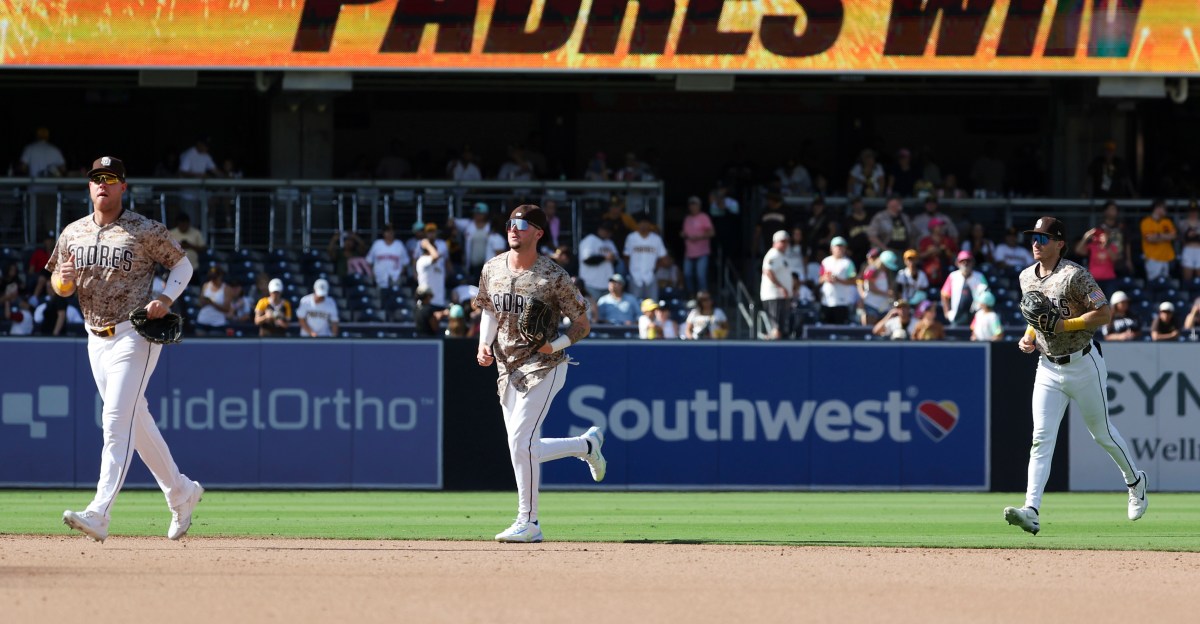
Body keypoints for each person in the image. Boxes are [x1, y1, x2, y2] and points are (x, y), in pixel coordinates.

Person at [48, 156, 203, 543]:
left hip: (135, 333)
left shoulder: (143, 229)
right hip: (93, 337)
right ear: (90, 187)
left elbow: (183, 267)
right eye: (97, 178)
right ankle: (182, 492)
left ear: (122, 186)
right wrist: (62, 282)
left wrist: (166, 299)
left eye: (110, 178)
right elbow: (59, 283)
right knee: (136, 420)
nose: (103, 184)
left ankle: (100, 513)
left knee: (115, 419)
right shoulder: (73, 232)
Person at [1005, 216, 1146, 536]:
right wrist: (1029, 335)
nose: (1036, 243)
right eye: (1033, 237)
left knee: (1102, 434)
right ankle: (1032, 509)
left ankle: (1135, 482)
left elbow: (1104, 312)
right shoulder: (1026, 276)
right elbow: (1036, 313)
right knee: (1040, 439)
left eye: (1043, 238)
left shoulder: (1075, 275)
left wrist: (1064, 326)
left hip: (1083, 363)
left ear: (1060, 243)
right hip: (1048, 367)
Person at [474, 205, 604, 544]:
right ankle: (585, 445)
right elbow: (488, 308)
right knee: (521, 447)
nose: (513, 229)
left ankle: (528, 522)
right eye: (509, 224)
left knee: (520, 443)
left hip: (544, 365)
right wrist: (483, 343)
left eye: (521, 224)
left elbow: (582, 324)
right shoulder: (492, 268)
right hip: (507, 366)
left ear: (538, 233)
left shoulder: (554, 276)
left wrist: (555, 344)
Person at [623, 212, 668, 302]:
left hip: (650, 276)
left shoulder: (656, 239)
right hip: (635, 276)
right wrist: (630, 271)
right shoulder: (631, 238)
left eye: (645, 222)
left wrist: (654, 270)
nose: (643, 225)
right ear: (637, 224)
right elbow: (626, 257)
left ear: (650, 224)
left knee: (653, 304)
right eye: (641, 222)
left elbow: (663, 258)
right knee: (635, 304)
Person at [760, 230, 796, 340]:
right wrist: (781, 287)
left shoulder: (782, 256)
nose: (785, 244)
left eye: (787, 241)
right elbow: (768, 271)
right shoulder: (773, 254)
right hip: (774, 296)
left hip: (781, 297)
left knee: (781, 327)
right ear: (775, 242)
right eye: (782, 241)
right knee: (776, 328)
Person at [941, 251, 988, 327]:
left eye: (968, 261)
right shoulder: (953, 276)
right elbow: (944, 294)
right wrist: (947, 312)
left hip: (976, 316)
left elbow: (986, 295)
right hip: (957, 315)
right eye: (962, 261)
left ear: (972, 263)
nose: (965, 263)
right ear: (957, 263)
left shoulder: (980, 277)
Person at [818, 237, 858, 324]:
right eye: (837, 246)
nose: (839, 248)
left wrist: (838, 280)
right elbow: (820, 279)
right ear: (831, 248)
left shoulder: (848, 263)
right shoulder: (826, 261)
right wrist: (826, 278)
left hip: (841, 301)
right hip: (827, 300)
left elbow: (853, 281)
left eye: (842, 246)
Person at [578, 221, 620, 302]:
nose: (608, 234)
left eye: (610, 232)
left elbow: (616, 261)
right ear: (600, 229)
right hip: (591, 284)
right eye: (607, 231)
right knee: (592, 310)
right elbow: (587, 260)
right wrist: (605, 257)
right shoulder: (589, 240)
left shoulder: (610, 242)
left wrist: (613, 259)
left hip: (607, 284)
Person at [680, 196, 714, 295]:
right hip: (689, 252)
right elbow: (685, 233)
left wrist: (699, 237)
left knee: (701, 275)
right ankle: (692, 295)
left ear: (699, 206)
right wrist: (683, 234)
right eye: (691, 205)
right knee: (687, 274)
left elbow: (712, 233)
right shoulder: (687, 218)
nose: (693, 207)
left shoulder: (704, 217)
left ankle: (703, 296)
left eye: (695, 204)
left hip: (702, 252)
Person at [1140, 199, 1176, 281]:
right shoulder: (1146, 222)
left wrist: (1158, 235)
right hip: (1152, 258)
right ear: (1157, 208)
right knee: (1154, 283)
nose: (1166, 211)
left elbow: (1173, 236)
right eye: (1164, 208)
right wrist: (1165, 236)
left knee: (1165, 283)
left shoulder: (1167, 221)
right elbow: (1149, 239)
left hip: (1166, 258)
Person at [366, 223, 410, 288]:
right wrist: (373, 274)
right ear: (383, 233)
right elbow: (369, 261)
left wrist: (400, 275)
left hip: (395, 280)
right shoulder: (377, 244)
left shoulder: (399, 245)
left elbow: (405, 263)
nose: (389, 233)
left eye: (391, 231)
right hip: (379, 279)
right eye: (387, 231)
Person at [195, 266, 232, 336]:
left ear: (220, 276)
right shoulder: (206, 285)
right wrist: (204, 301)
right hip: (202, 321)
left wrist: (212, 303)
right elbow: (200, 304)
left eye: (215, 278)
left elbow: (227, 309)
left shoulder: (226, 289)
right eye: (211, 278)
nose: (213, 280)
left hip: (217, 324)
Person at [1179, 201, 1200, 282]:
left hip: (1199, 250)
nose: (1193, 213)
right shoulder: (1183, 223)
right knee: (1187, 277)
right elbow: (1180, 237)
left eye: (1195, 211)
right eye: (1191, 211)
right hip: (1188, 250)